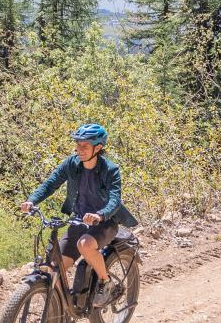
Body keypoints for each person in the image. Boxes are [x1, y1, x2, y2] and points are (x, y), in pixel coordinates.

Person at [21, 123, 138, 307]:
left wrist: (100, 214)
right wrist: (32, 200)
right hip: (79, 221)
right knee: (53, 266)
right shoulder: (72, 164)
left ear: (98, 148)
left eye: (85, 146)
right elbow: (50, 184)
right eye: (78, 145)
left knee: (85, 245)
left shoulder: (110, 170)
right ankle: (65, 309)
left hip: (104, 223)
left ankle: (105, 283)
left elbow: (114, 201)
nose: (79, 149)